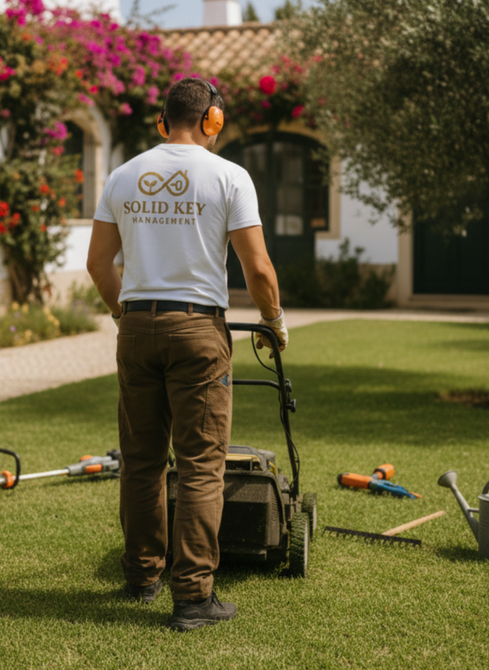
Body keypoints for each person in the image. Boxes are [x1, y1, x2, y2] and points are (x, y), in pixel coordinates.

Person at [86, 77, 288, 631]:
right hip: (198, 330)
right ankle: (194, 597)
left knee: (143, 460)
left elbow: (99, 265)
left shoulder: (124, 175)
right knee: (201, 463)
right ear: (213, 121)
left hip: (136, 328)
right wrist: (273, 321)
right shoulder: (229, 176)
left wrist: (120, 314)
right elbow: (259, 269)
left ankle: (141, 575)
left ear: (161, 120)